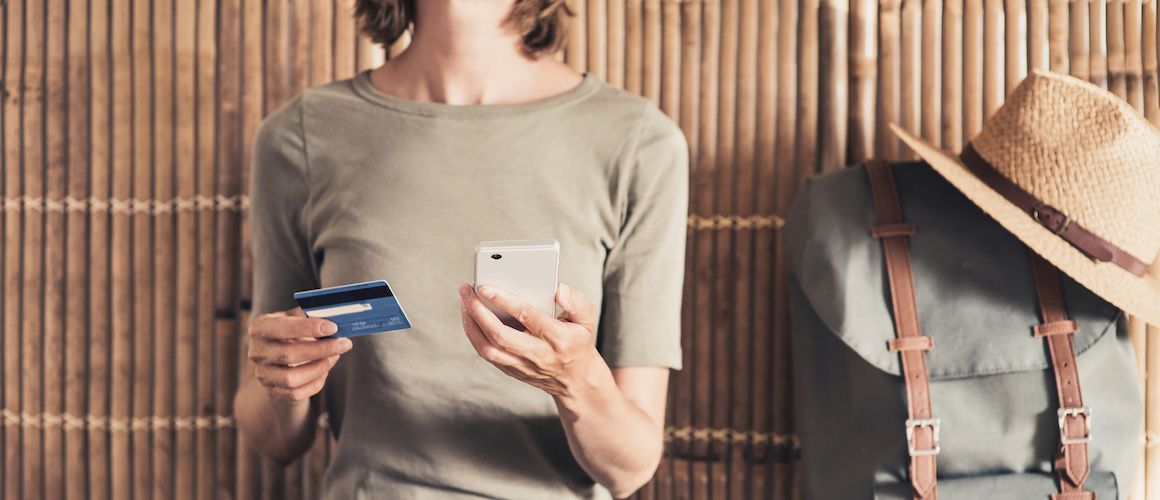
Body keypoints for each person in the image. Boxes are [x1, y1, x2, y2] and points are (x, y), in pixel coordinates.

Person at [232, 0, 689, 497]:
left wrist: (576, 381)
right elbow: (273, 439)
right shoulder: (299, 136)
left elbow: (630, 468)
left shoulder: (639, 143)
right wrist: (283, 379)